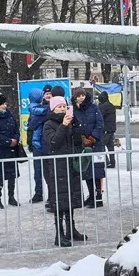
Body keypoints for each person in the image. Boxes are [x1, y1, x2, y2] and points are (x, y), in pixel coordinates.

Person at [42, 96, 86, 247]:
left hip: (70, 167)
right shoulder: (48, 124)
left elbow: (79, 139)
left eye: (64, 106)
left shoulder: (70, 122)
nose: (62, 109)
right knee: (60, 202)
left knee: (70, 200)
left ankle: (71, 229)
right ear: (53, 109)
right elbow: (54, 142)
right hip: (58, 167)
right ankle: (59, 234)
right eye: (59, 107)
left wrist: (75, 123)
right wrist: (63, 125)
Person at [71, 87, 105, 207]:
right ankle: (91, 196)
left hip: (96, 145)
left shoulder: (93, 107)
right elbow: (73, 126)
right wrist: (82, 138)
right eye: (79, 96)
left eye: (83, 95)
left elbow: (100, 123)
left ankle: (98, 197)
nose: (81, 97)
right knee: (86, 171)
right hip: (83, 145)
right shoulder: (73, 110)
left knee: (97, 171)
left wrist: (92, 138)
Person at [0, 94, 20, 209]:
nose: (4, 106)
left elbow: (16, 128)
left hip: (11, 149)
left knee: (12, 175)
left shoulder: (9, 114)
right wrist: (7, 141)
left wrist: (15, 139)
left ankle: (11, 196)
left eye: (5, 104)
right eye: (2, 104)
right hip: (0, 150)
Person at [26, 88, 49, 203]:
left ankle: (51, 194)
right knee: (38, 170)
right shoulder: (37, 109)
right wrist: (30, 142)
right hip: (37, 145)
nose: (48, 96)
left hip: (47, 143)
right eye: (46, 94)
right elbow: (30, 127)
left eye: (50, 94)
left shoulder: (48, 109)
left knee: (49, 172)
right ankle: (38, 192)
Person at [98, 91, 117, 169]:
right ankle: (112, 163)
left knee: (101, 146)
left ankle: (107, 162)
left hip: (105, 130)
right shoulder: (111, 105)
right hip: (111, 130)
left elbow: (99, 116)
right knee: (111, 148)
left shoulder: (103, 106)